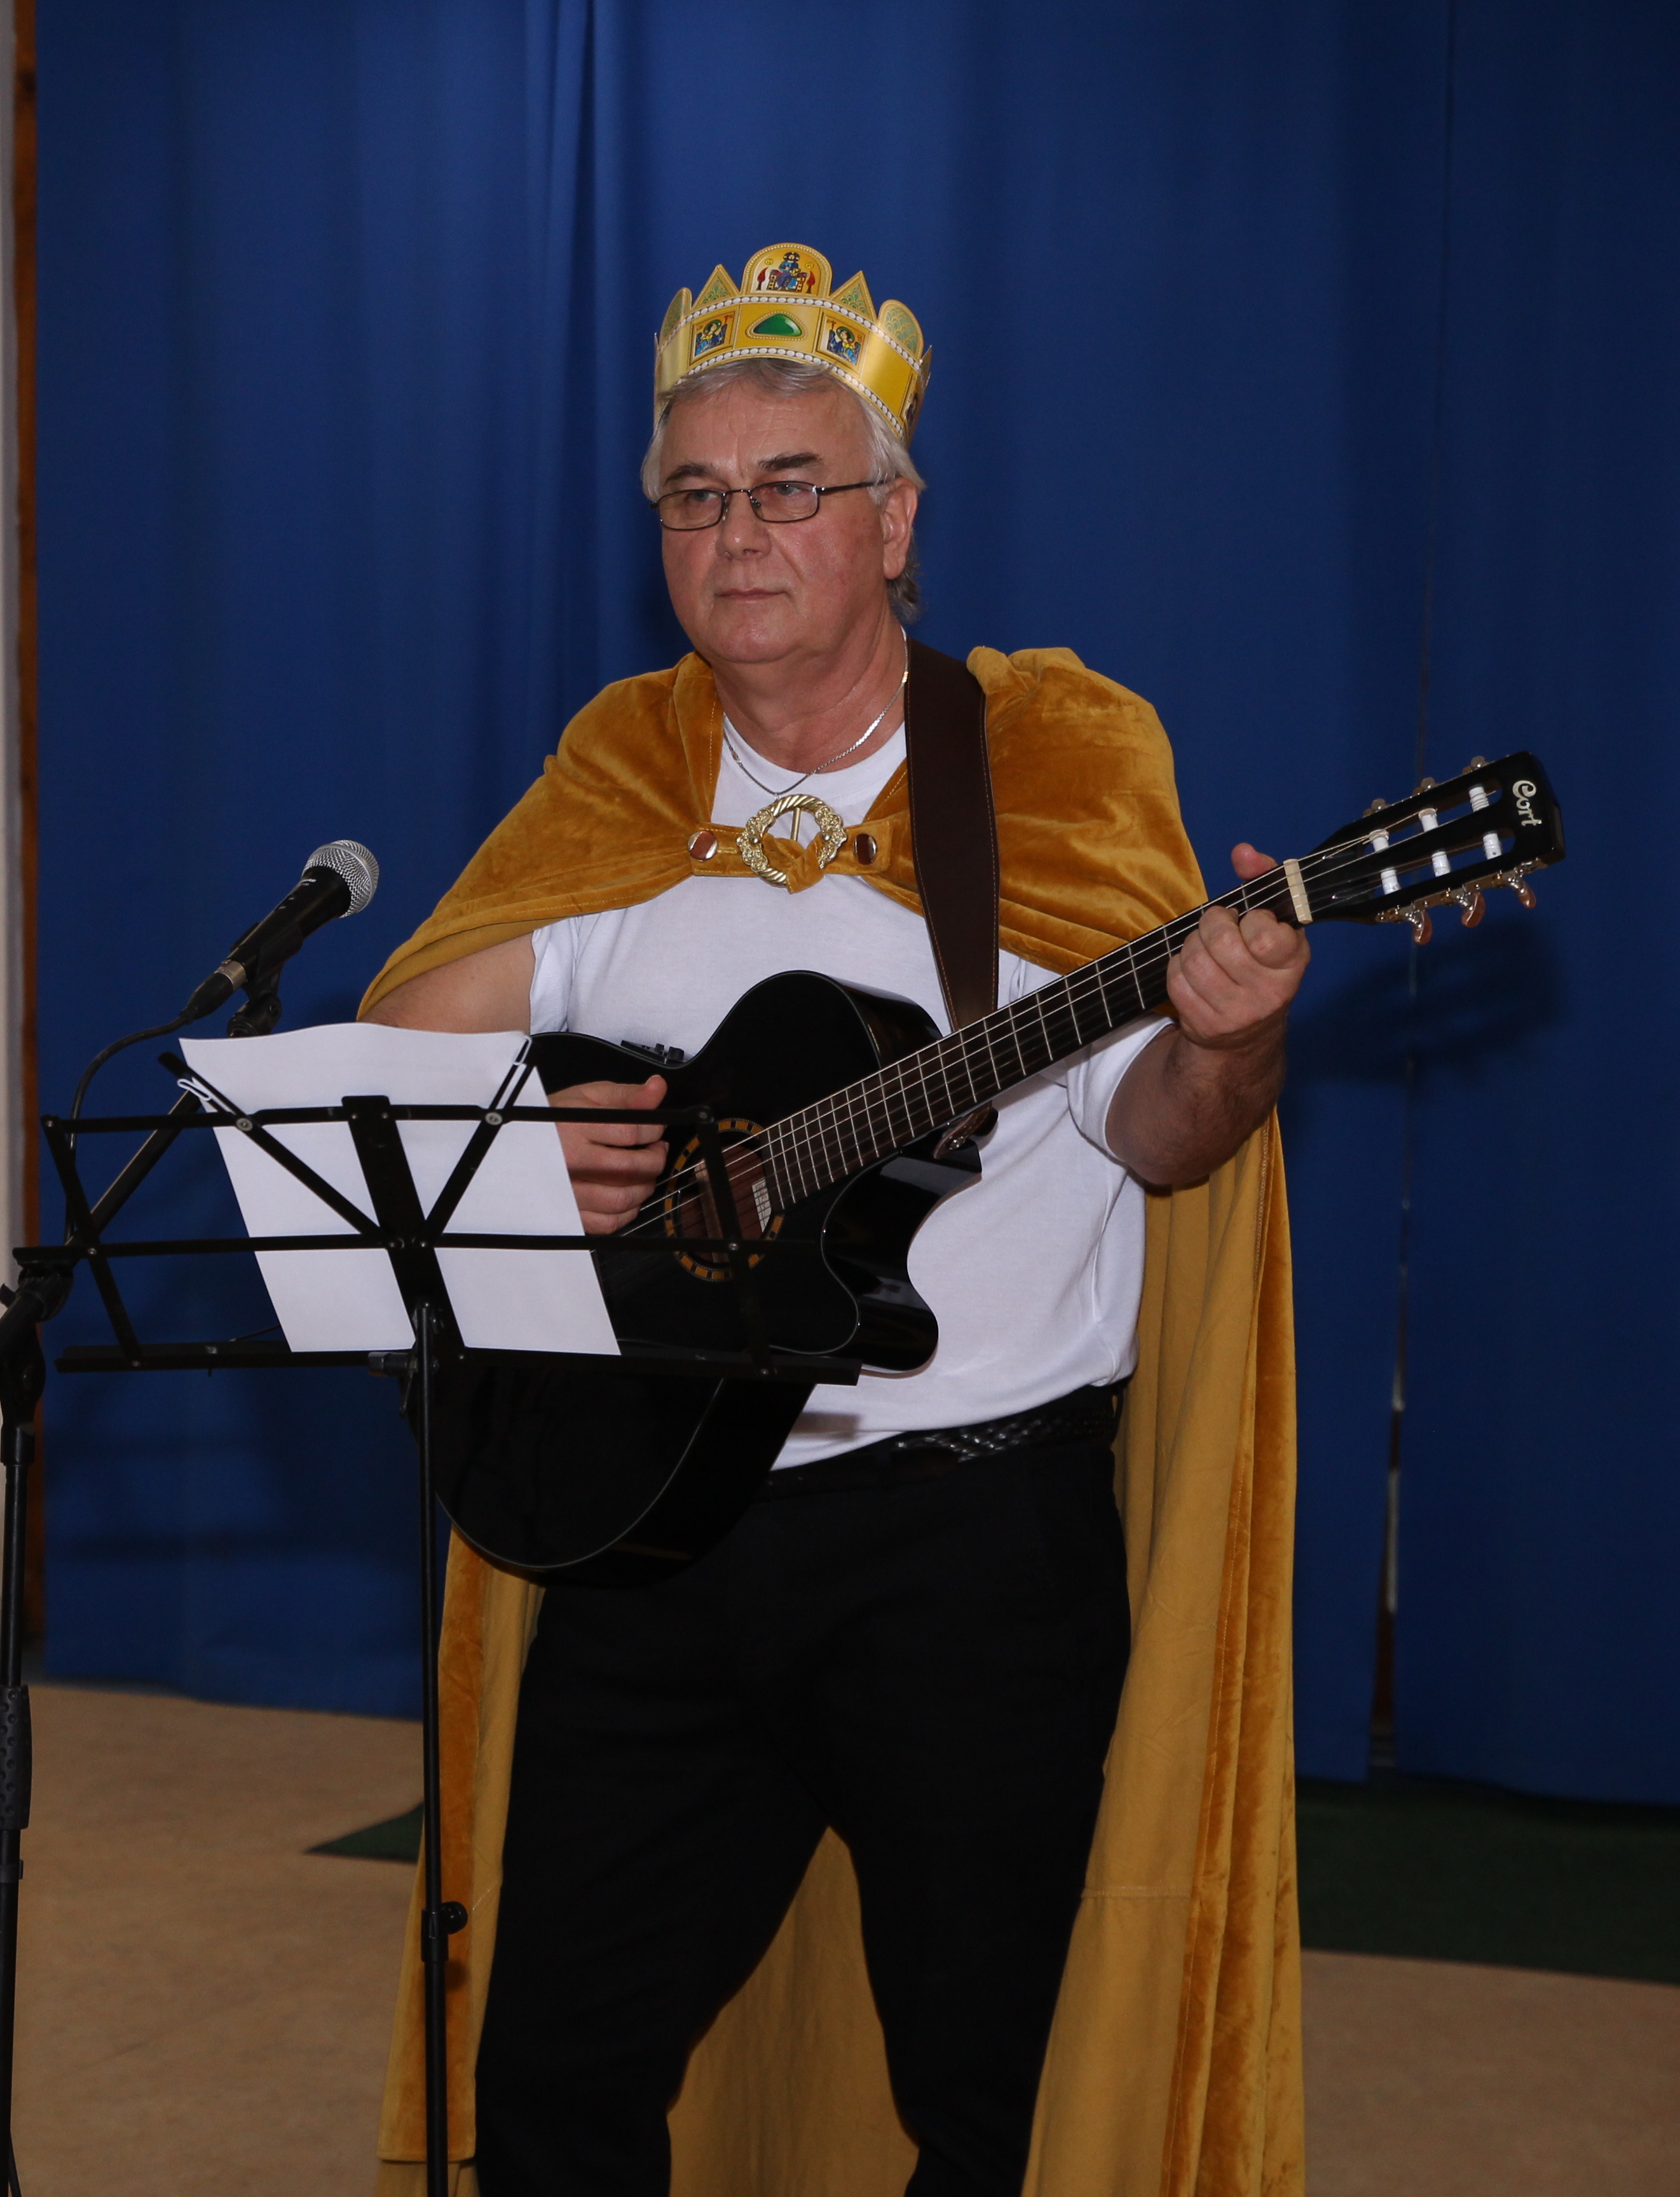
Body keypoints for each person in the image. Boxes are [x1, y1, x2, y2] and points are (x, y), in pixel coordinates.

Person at [359, 245, 1306, 2194]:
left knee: (991, 2098)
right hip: (652, 1513)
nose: (740, 534)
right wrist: (521, 1146)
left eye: (792, 487)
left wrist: (1232, 1040)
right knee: (547, 2081)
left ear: (895, 521)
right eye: (696, 495)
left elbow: (1162, 1135)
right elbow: (405, 1045)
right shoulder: (625, 768)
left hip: (964, 1546)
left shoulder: (1043, 765)